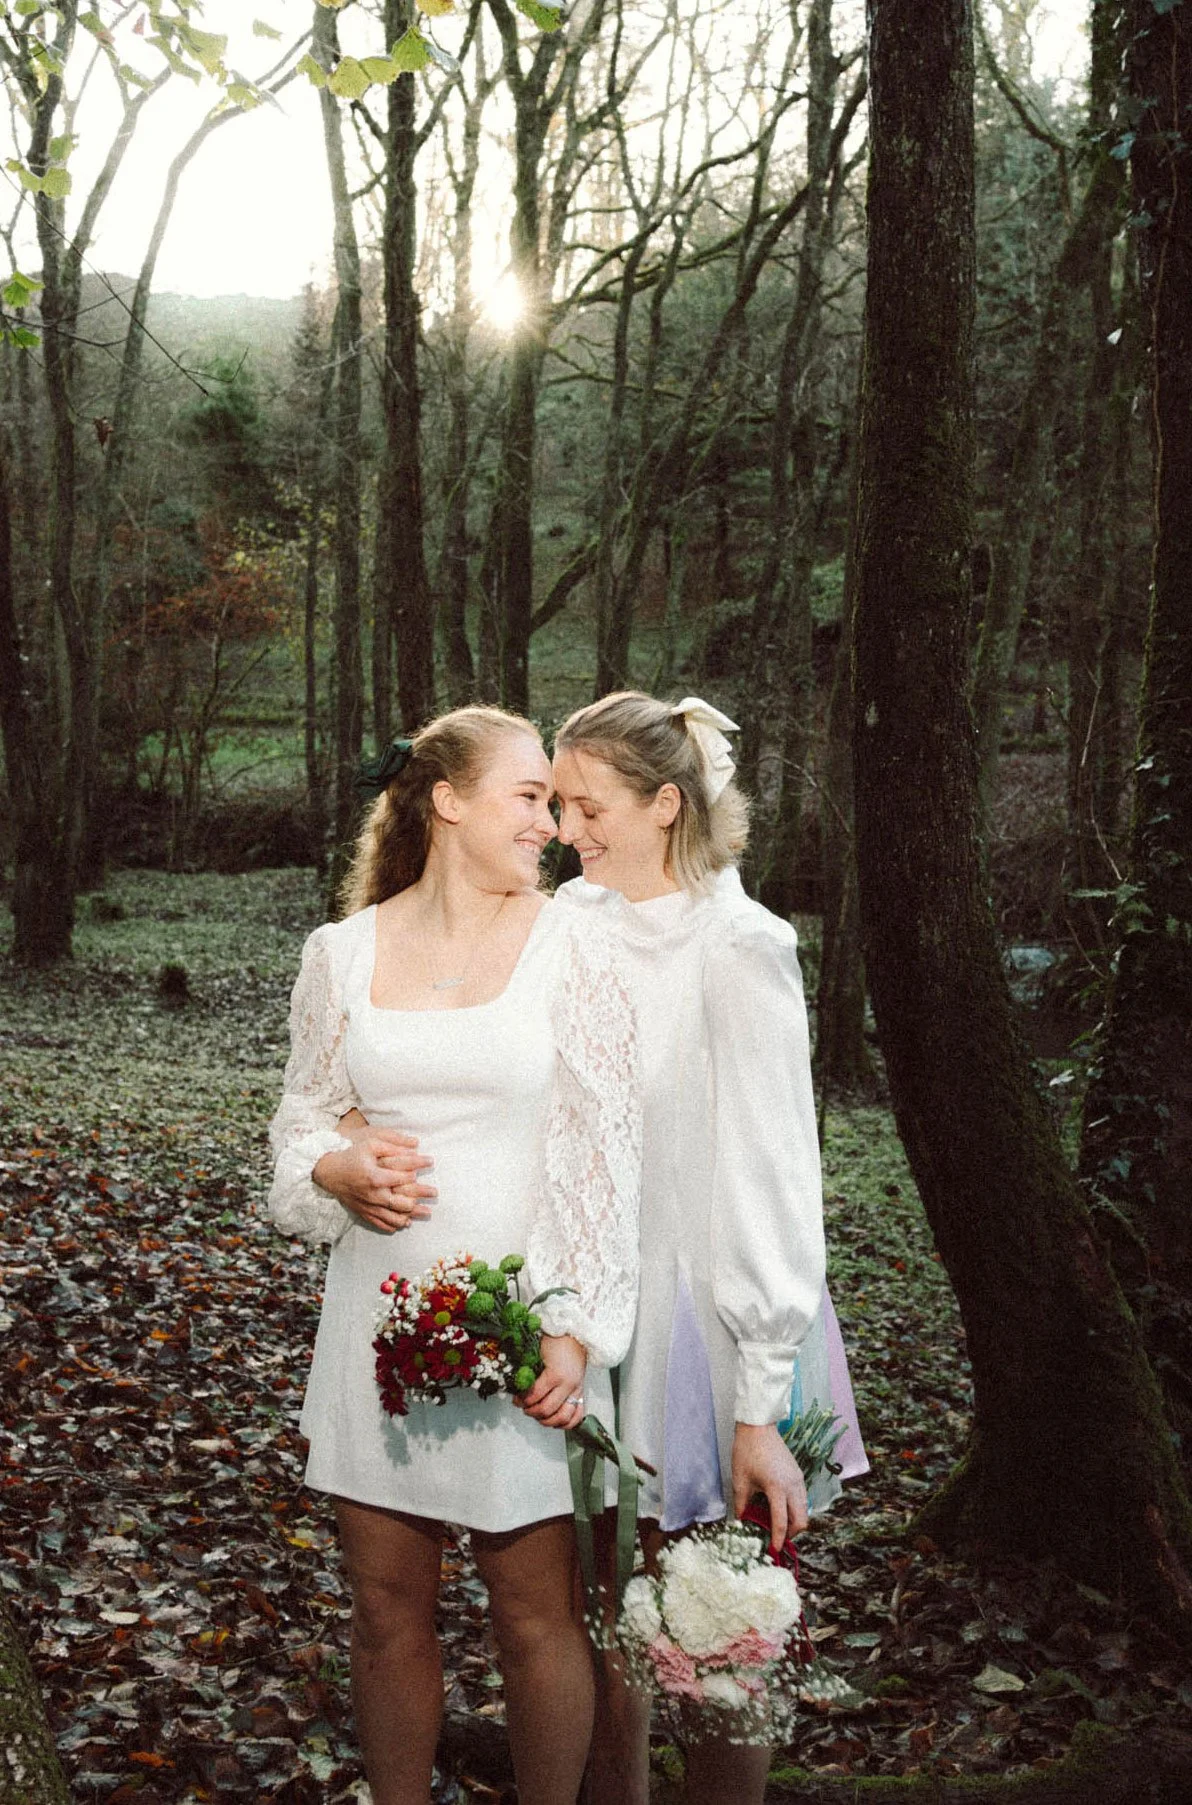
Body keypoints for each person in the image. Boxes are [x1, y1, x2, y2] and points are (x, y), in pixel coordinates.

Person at [267, 705, 641, 1805]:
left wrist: (577, 1330)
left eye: (558, 804)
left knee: (537, 1614)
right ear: (447, 800)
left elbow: (607, 1151)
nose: (553, 824)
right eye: (531, 797)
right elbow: (300, 1123)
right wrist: (332, 1168)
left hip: (532, 1328)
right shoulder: (339, 954)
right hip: (374, 1321)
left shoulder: (580, 941)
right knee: (386, 1609)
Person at [550, 690, 867, 1805]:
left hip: (721, 1326)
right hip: (591, 1317)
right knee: (606, 1616)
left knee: (719, 1618)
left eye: (586, 803)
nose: (562, 825)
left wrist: (759, 1403)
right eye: (554, 801)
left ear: (665, 802)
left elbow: (775, 1175)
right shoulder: (568, 925)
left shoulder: (742, 945)